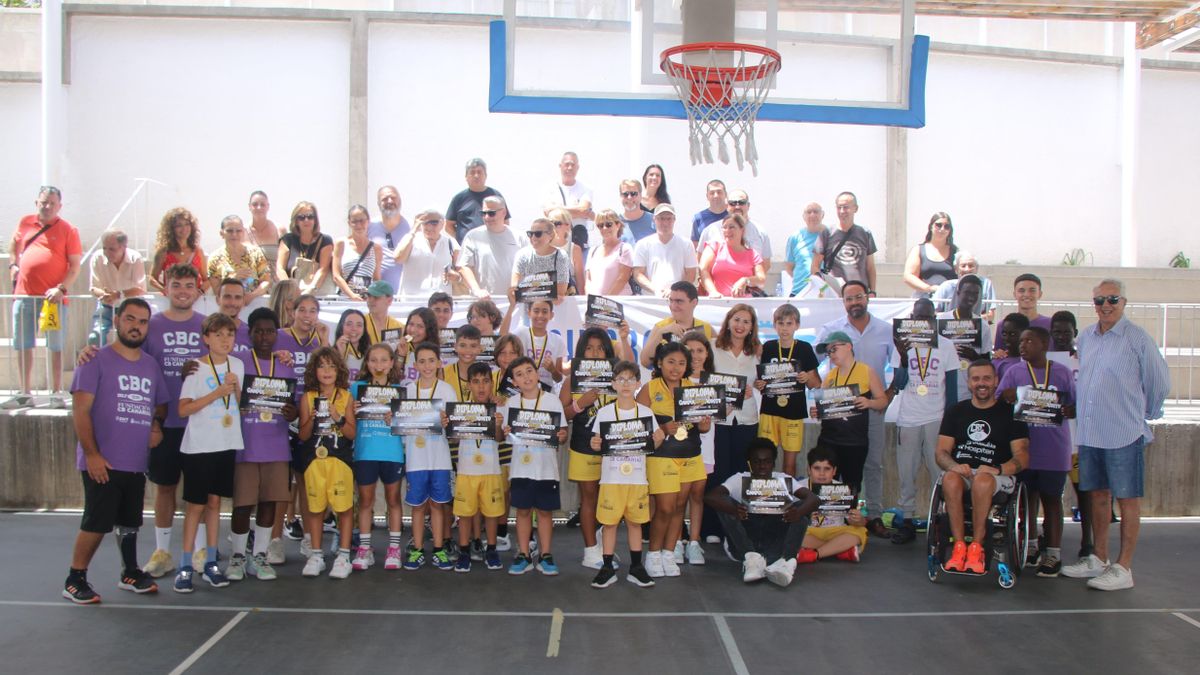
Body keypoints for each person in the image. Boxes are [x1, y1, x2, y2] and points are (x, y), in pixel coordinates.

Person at [1061, 279, 1169, 591]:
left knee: (1128, 500)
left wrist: (1144, 413)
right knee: (1097, 496)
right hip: (1092, 431)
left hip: (1124, 432)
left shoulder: (1137, 338)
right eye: (1099, 301)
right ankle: (1099, 558)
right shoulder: (1087, 337)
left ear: (1123, 302)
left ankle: (1123, 568)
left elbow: (1159, 381)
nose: (1105, 306)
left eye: (1112, 299)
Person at [63, 298, 169, 604]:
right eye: (130, 319)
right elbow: (80, 411)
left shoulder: (150, 365)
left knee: (130, 522)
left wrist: (156, 424)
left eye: (142, 322)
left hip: (135, 460)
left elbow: (161, 402)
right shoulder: (94, 360)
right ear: (118, 320)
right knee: (97, 522)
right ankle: (75, 577)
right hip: (103, 460)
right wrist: (92, 455)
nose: (136, 326)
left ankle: (130, 572)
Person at [140, 265, 207, 579]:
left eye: (188, 285)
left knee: (201, 492)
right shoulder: (150, 326)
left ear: (197, 289)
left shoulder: (207, 326)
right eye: (176, 284)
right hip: (164, 424)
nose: (182, 290)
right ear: (165, 288)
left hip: (200, 423)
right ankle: (163, 551)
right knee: (164, 488)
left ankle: (202, 551)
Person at [817, 280, 899, 536]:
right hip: (837, 417)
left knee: (873, 464)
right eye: (848, 299)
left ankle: (873, 514)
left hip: (870, 410)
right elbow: (811, 361)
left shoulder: (886, 329)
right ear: (843, 303)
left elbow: (900, 365)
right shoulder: (831, 330)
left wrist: (885, 396)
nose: (854, 302)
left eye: (858, 297)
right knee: (835, 467)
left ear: (868, 297)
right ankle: (834, 515)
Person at [936, 360, 1030, 575]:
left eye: (987, 378)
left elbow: (1022, 456)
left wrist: (997, 469)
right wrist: (955, 466)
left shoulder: (1010, 412)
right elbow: (941, 452)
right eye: (976, 378)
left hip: (997, 475)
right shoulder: (956, 411)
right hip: (965, 471)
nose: (981, 383)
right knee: (950, 478)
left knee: (983, 480)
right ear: (968, 383)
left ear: (996, 381)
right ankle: (959, 547)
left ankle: (977, 547)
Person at [173, 312, 245, 592]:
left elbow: (241, 405)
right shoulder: (195, 368)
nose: (225, 340)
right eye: (218, 335)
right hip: (199, 446)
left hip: (225, 443)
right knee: (195, 506)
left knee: (216, 504)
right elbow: (183, 409)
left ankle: (212, 562)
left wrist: (236, 389)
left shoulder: (237, 364)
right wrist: (216, 392)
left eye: (229, 335)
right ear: (206, 339)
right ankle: (186, 564)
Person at [996, 326, 1076, 576]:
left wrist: (1068, 410)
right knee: (1026, 500)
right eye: (1021, 341)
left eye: (1028, 340)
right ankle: (1030, 546)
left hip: (1054, 447)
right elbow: (999, 403)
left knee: (1052, 501)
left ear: (1044, 344)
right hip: (1025, 448)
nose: (1022, 345)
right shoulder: (1014, 371)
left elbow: (1073, 404)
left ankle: (1053, 553)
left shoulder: (1061, 372)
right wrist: (1006, 397)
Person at [227, 308, 298, 582]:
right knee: (242, 504)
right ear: (250, 333)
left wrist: (293, 413)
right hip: (245, 444)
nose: (265, 336)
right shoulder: (237, 362)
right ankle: (237, 556)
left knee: (269, 502)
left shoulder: (285, 367)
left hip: (277, 445)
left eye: (270, 331)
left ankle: (260, 555)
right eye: (259, 331)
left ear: (276, 334)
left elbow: (294, 405)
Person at [637, 343, 711, 579]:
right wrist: (662, 427)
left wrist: (704, 423)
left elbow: (704, 426)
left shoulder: (694, 389)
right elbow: (637, 425)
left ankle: (669, 553)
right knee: (665, 508)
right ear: (659, 363)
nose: (676, 368)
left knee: (680, 506)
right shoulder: (649, 388)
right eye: (671, 362)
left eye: (681, 363)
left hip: (690, 455)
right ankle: (653, 554)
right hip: (662, 456)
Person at [889, 298, 960, 544]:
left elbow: (952, 388)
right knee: (906, 472)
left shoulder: (947, 345)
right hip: (908, 418)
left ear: (934, 319)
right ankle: (907, 520)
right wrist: (902, 356)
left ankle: (939, 521)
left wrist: (951, 424)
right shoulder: (903, 344)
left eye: (928, 317)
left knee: (938, 471)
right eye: (918, 317)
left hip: (936, 418)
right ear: (911, 318)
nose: (923, 321)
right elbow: (898, 385)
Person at [589, 360, 664, 588]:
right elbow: (596, 443)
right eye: (620, 379)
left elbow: (655, 442)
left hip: (637, 478)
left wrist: (659, 440)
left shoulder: (646, 413)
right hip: (612, 479)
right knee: (609, 524)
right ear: (613, 383)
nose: (625, 384)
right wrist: (594, 443)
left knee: (635, 523)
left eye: (630, 379)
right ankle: (607, 566)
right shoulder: (604, 413)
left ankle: (636, 567)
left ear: (638, 384)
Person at [705, 439, 819, 586]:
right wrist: (734, 509)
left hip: (775, 544)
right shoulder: (739, 479)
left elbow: (813, 499)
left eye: (767, 461)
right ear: (749, 463)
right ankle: (752, 560)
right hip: (743, 546)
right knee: (725, 505)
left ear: (773, 463)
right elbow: (710, 497)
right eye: (757, 461)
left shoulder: (784, 479)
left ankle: (786, 562)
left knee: (801, 512)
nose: (762, 466)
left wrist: (798, 512)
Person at [9, 186, 80, 401]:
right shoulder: (25, 222)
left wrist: (61, 288)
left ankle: (56, 392)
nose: (47, 206)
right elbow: (13, 245)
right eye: (43, 202)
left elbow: (74, 266)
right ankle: (24, 391)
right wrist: (13, 264)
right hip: (25, 295)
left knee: (55, 345)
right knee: (23, 344)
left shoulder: (68, 230)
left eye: (51, 203)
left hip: (53, 299)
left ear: (59, 206)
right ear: (36, 203)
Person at [701, 304, 762, 543]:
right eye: (737, 319)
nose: (740, 325)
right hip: (719, 420)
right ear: (728, 322)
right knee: (716, 475)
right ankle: (712, 529)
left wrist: (759, 387)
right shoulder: (713, 348)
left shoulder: (757, 352)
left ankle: (735, 530)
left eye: (746, 322)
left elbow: (761, 381)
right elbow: (705, 382)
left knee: (740, 475)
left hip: (746, 419)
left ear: (751, 328)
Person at [296, 347, 358, 578]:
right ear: (314, 370)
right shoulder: (307, 397)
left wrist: (337, 416)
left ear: (339, 369)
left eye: (332, 366)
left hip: (340, 461)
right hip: (314, 461)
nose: (327, 371)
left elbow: (352, 433)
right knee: (315, 509)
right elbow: (302, 436)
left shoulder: (346, 396)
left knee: (344, 509)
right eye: (321, 366)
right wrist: (310, 420)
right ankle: (316, 555)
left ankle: (343, 556)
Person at [502, 356, 568, 575]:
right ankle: (524, 553)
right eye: (519, 374)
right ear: (513, 382)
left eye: (529, 371)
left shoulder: (552, 401)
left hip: (546, 469)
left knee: (545, 512)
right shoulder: (511, 405)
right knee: (522, 511)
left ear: (537, 374)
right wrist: (504, 432)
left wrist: (560, 435)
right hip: (521, 468)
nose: (526, 377)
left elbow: (563, 434)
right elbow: (504, 435)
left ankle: (546, 554)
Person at [563, 328, 621, 569]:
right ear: (581, 351)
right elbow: (561, 414)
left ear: (608, 351)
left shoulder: (617, 376)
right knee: (588, 498)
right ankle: (589, 551)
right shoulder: (573, 379)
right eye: (590, 347)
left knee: (608, 498)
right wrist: (579, 404)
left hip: (613, 447)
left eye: (600, 348)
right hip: (583, 446)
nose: (595, 353)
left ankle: (601, 545)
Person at [401, 342, 459, 571]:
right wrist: (393, 421)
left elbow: (455, 426)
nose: (427, 366)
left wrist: (447, 421)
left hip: (440, 457)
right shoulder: (408, 390)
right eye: (422, 361)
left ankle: (438, 548)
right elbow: (402, 423)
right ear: (415, 365)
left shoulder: (446, 390)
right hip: (416, 457)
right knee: (418, 506)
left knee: (438, 504)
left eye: (431, 361)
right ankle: (416, 549)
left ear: (439, 362)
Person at [350, 343, 406, 572]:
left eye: (384, 360)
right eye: (374, 360)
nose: (379, 365)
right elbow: (348, 424)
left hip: (392, 452)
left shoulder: (400, 390)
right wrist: (352, 411)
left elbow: (407, 425)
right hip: (365, 452)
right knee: (365, 501)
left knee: (393, 500)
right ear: (367, 363)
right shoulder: (357, 388)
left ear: (392, 363)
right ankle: (364, 548)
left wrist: (396, 418)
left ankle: (394, 548)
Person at [815, 331, 890, 501]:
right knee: (825, 485)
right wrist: (818, 412)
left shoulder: (866, 371)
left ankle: (851, 521)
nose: (831, 355)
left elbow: (883, 400)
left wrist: (869, 402)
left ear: (848, 346)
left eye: (834, 349)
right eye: (828, 352)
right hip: (829, 440)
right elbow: (824, 409)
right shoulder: (830, 376)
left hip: (854, 441)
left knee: (851, 486)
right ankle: (827, 523)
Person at [451, 361, 509, 573]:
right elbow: (455, 440)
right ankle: (464, 550)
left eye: (485, 381)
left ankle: (491, 549)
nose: (481, 387)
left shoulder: (499, 407)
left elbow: (500, 438)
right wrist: (451, 424)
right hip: (466, 470)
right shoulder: (460, 409)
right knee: (465, 514)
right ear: (468, 386)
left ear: (492, 383)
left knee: (492, 513)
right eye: (476, 382)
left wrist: (498, 425)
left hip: (491, 469)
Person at [755, 304, 820, 477]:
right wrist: (758, 384)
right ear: (774, 325)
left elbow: (816, 383)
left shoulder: (804, 348)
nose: (784, 328)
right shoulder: (767, 347)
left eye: (789, 323)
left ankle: (789, 500)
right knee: (764, 459)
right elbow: (759, 380)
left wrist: (807, 377)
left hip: (794, 412)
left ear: (797, 325)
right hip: (769, 410)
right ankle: (764, 499)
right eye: (781, 323)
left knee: (790, 463)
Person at [1049, 310, 1093, 561]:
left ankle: (1088, 540)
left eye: (1066, 331)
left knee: (1083, 491)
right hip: (1052, 439)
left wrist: (1078, 407)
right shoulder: (1045, 361)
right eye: (1057, 332)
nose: (1062, 336)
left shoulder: (1084, 360)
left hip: (1078, 439)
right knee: (1050, 493)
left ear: (1075, 333)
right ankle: (1047, 537)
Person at [794, 446, 868, 564]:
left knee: (861, 531)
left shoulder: (846, 489)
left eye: (827, 469)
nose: (822, 473)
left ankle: (814, 554)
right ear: (809, 469)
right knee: (790, 532)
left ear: (834, 471)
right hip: (810, 531)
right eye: (817, 468)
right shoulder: (798, 488)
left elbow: (863, 519)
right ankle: (839, 551)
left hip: (836, 531)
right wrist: (804, 515)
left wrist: (858, 519)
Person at [681, 331, 716, 563]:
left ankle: (694, 543)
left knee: (697, 495)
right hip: (679, 449)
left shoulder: (714, 382)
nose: (695, 355)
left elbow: (721, 413)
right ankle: (674, 542)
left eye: (700, 350)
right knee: (677, 498)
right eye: (690, 350)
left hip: (706, 447)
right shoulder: (676, 380)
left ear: (707, 354)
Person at [936, 274, 994, 402]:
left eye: (975, 293)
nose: (971, 297)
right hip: (942, 387)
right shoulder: (941, 321)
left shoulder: (982, 325)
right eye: (967, 292)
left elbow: (987, 361)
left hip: (969, 390)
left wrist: (974, 357)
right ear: (958, 292)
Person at [458, 195, 528, 299]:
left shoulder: (520, 237)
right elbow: (464, 266)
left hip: (515, 301)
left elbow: (530, 266)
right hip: (484, 301)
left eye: (491, 213)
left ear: (504, 212)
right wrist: (476, 290)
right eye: (483, 213)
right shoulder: (472, 236)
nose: (487, 217)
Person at [696, 189, 772, 281]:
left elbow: (766, 264)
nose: (737, 206)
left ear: (748, 205)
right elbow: (700, 261)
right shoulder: (710, 230)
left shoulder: (760, 232)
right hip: (717, 291)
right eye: (732, 203)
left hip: (748, 291)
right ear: (727, 206)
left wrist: (748, 283)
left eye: (741, 202)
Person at [810, 191, 876, 294]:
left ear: (856, 208)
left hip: (859, 294)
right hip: (834, 294)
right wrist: (822, 286)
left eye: (845, 207)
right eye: (839, 207)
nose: (842, 211)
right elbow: (815, 266)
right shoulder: (826, 233)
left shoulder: (865, 233)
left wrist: (872, 291)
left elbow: (870, 267)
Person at [87, 230, 145, 347]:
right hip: (106, 306)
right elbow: (93, 288)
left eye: (112, 249)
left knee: (134, 338)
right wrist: (104, 295)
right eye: (104, 248)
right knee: (95, 337)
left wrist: (119, 295)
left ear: (124, 247)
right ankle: (97, 363)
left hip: (131, 307)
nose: (107, 253)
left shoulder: (135, 258)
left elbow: (140, 289)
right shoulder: (97, 257)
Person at [640, 281, 714, 369]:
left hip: (696, 381)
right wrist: (661, 334)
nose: (673, 306)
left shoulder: (707, 328)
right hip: (668, 381)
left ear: (694, 302)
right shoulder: (660, 327)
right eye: (671, 301)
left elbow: (716, 362)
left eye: (679, 301)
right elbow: (645, 362)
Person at [631, 204, 698, 297]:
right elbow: (638, 274)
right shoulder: (642, 244)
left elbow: (691, 273)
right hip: (650, 299)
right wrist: (655, 290)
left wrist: (676, 291)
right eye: (661, 218)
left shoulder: (686, 244)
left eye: (669, 218)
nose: (665, 223)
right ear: (654, 219)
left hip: (679, 300)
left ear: (674, 220)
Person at [395, 208, 460, 297]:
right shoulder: (412, 240)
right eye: (425, 222)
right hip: (412, 300)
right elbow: (398, 258)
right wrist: (414, 229)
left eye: (434, 223)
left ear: (442, 224)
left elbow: (461, 271)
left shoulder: (451, 243)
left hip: (439, 301)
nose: (429, 227)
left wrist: (457, 277)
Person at [699, 214, 766, 298]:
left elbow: (761, 280)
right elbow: (703, 269)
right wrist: (713, 292)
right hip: (718, 302)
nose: (727, 230)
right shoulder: (714, 247)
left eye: (731, 227)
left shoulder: (752, 254)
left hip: (744, 304)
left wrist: (745, 280)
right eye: (724, 227)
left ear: (742, 230)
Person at [206, 215, 270, 302]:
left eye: (238, 231)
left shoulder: (256, 253)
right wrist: (233, 279)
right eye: (229, 231)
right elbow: (216, 290)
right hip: (228, 307)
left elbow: (266, 282)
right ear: (222, 233)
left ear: (243, 232)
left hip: (255, 304)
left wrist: (251, 296)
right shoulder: (214, 258)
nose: (234, 234)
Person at [276, 201, 334, 296]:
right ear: (296, 221)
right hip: (290, 295)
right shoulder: (287, 239)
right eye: (301, 217)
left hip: (317, 295)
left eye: (310, 216)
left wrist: (310, 290)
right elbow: (280, 268)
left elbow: (323, 269)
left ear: (315, 220)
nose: (306, 220)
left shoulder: (325, 240)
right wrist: (289, 290)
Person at [542, 151, 595, 251]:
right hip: (555, 243)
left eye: (573, 165)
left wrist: (557, 209)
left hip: (578, 242)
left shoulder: (586, 189)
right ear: (560, 166)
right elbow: (548, 212)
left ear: (577, 167)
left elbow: (583, 209)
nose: (570, 168)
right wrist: (578, 211)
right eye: (567, 164)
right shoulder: (549, 189)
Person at [510, 217, 571, 304]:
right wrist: (545, 294)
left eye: (538, 234)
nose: (533, 237)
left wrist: (529, 292)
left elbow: (560, 292)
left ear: (550, 235)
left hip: (552, 310)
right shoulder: (522, 255)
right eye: (530, 234)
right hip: (527, 309)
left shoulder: (561, 256)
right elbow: (514, 288)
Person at [446, 158, 506, 244]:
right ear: (466, 177)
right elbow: (448, 225)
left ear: (485, 175)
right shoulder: (458, 198)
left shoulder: (495, 196)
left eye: (479, 172)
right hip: (467, 248)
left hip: (492, 246)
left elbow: (505, 221)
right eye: (472, 172)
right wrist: (461, 239)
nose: (476, 176)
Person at [149, 207, 207, 294]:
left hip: (194, 301)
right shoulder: (164, 252)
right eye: (179, 225)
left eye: (187, 224)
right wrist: (164, 290)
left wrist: (200, 292)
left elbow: (206, 279)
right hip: (172, 300)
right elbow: (152, 278)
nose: (184, 229)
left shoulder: (198, 251)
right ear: (171, 229)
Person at [331, 204, 383, 300]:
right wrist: (352, 295)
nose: (358, 225)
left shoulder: (376, 248)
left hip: (366, 301)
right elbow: (336, 275)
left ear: (368, 221)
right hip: (345, 300)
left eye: (362, 221)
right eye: (354, 221)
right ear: (349, 223)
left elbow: (376, 278)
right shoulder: (341, 244)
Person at [902, 212, 957, 297]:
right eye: (938, 225)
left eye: (946, 226)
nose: (942, 229)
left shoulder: (956, 252)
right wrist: (929, 288)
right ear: (931, 226)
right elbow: (908, 276)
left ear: (950, 230)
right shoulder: (918, 250)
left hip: (948, 301)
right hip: (923, 299)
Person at [366, 185, 411, 290]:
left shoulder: (412, 226)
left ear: (400, 200)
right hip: (378, 294)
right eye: (384, 199)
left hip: (406, 295)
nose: (389, 201)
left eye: (393, 197)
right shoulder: (369, 226)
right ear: (378, 204)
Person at [930, 250, 996, 321]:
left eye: (971, 266)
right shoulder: (946, 286)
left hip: (977, 326)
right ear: (956, 269)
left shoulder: (986, 284)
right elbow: (933, 312)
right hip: (949, 327)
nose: (967, 269)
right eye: (963, 266)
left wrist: (971, 320)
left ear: (976, 268)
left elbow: (991, 315)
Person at [994, 273, 1052, 353]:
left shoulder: (1050, 324)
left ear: (1040, 294)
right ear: (1015, 294)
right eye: (1021, 291)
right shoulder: (1003, 325)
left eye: (1032, 290)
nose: (1027, 294)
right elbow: (999, 352)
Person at [783, 202, 828, 298]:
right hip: (799, 291)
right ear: (804, 216)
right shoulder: (795, 237)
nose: (812, 215)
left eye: (816, 212)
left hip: (824, 292)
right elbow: (789, 267)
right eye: (809, 212)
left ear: (822, 215)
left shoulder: (830, 235)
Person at [586, 209, 635, 296]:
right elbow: (588, 280)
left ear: (618, 225)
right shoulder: (592, 251)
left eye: (608, 224)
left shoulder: (625, 249)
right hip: (595, 306)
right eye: (600, 225)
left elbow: (622, 279)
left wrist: (604, 303)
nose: (604, 228)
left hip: (618, 305)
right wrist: (590, 300)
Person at [547, 207, 586, 295]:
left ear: (568, 225)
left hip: (569, 299)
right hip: (547, 300)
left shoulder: (575, 249)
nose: (553, 227)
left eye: (557, 223)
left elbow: (580, 281)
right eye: (550, 224)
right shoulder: (541, 248)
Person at [247, 191, 283, 279]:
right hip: (252, 282)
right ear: (249, 207)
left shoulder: (279, 230)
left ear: (268, 207)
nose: (259, 207)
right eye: (255, 204)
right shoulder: (242, 231)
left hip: (276, 282)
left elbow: (285, 260)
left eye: (262, 204)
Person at [214, 277, 253, 355]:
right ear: (218, 299)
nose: (232, 303)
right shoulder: (204, 330)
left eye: (237, 297)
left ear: (243, 301)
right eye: (227, 297)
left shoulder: (250, 333)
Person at [362, 280, 403, 346]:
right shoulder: (359, 324)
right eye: (369, 296)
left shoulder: (399, 327)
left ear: (389, 300)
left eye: (376, 297)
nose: (370, 300)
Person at [993, 313, 1031, 381]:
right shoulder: (997, 362)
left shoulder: (1034, 361)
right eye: (1004, 334)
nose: (1007, 338)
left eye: (1012, 334)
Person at [689, 179, 727, 245]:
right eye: (712, 193)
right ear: (707, 196)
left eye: (719, 192)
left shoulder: (733, 216)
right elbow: (695, 246)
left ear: (725, 194)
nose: (716, 196)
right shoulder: (699, 218)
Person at [334, 309, 368, 379]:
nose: (354, 328)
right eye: (349, 324)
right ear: (341, 327)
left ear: (364, 329)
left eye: (359, 325)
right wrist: (341, 355)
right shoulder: (331, 354)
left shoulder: (370, 354)